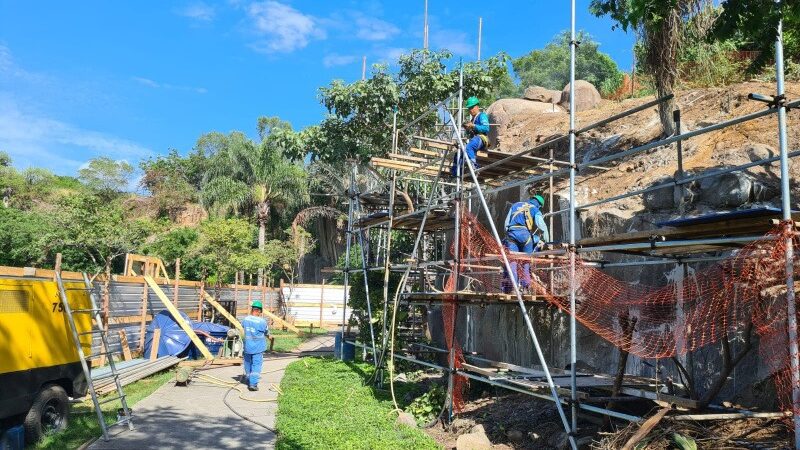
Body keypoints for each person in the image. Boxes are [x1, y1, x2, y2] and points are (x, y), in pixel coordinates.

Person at [502, 194, 550, 292]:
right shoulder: (535, 209)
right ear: (539, 205)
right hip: (525, 237)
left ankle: (514, 288)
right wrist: (547, 242)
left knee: (513, 261)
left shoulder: (515, 205)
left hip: (511, 236)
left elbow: (506, 224)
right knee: (526, 262)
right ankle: (525, 287)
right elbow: (542, 227)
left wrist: (509, 236)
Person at [452, 96, 490, 177]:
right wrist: (467, 128)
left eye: (472, 108)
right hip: (474, 140)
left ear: (477, 106)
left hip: (481, 139)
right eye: (469, 108)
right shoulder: (472, 120)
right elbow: (469, 134)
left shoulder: (482, 115)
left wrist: (473, 126)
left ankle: (473, 167)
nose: (470, 110)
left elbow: (486, 128)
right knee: (459, 152)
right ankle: (455, 172)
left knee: (469, 147)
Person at [241, 301, 269, 391]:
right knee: (256, 365)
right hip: (258, 347)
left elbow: (243, 327)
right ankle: (253, 384)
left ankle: (249, 379)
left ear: (252, 309)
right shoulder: (262, 321)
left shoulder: (245, 319)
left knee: (247, 363)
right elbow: (266, 332)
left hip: (247, 347)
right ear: (259, 311)